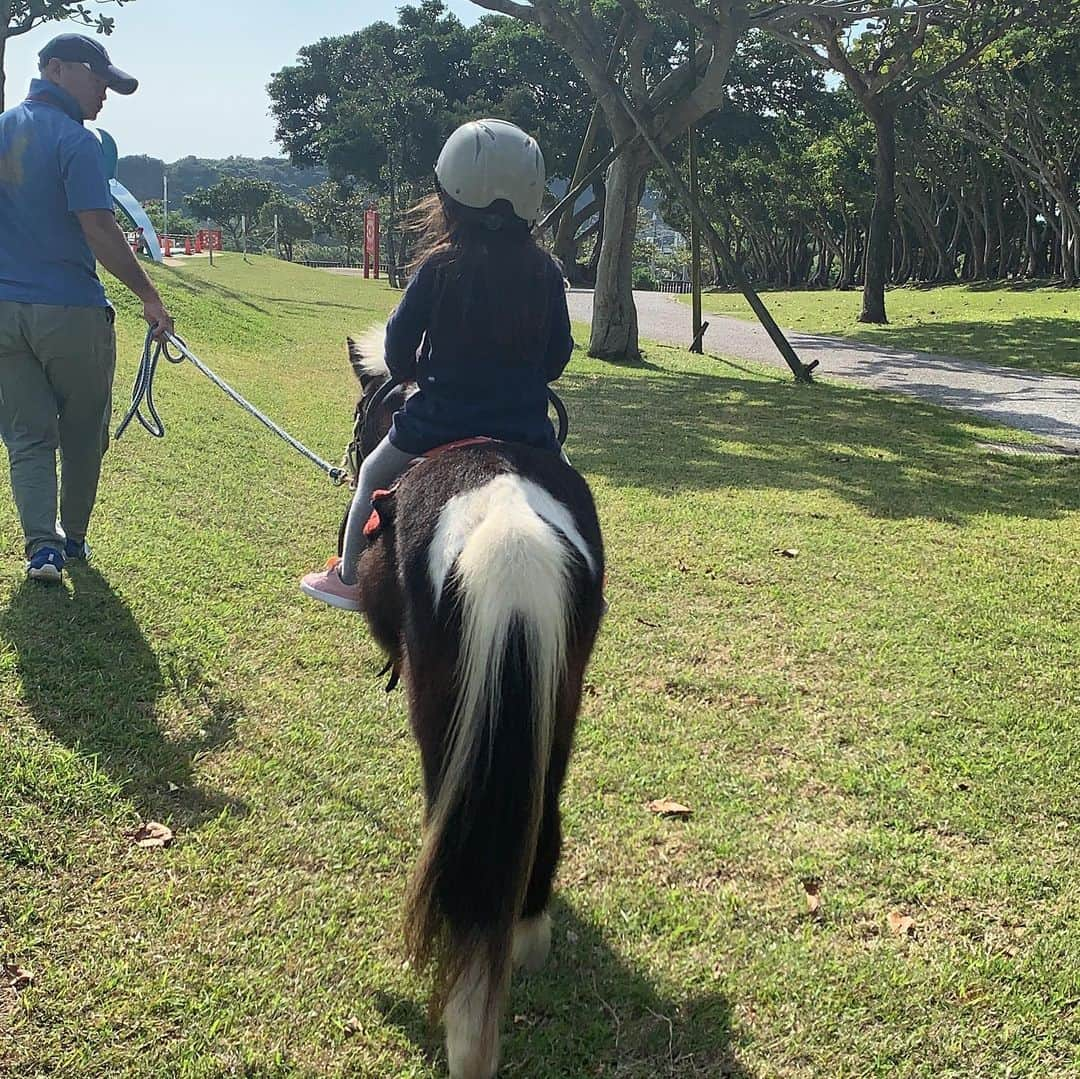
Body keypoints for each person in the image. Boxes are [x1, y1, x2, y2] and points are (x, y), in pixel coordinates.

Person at [300, 118, 573, 611]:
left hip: (435, 422)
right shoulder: (547, 272)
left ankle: (348, 579)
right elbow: (556, 359)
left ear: (450, 195)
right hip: (527, 428)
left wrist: (410, 371)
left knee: (368, 480)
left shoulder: (438, 266)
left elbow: (398, 346)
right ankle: (584, 587)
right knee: (571, 496)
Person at [0, 33, 174, 583]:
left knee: (27, 435)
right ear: (54, 69)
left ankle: (40, 549)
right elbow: (98, 227)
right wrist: (150, 296)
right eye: (96, 78)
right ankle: (71, 541)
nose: (103, 92)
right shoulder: (76, 141)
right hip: (70, 311)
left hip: (4, 313)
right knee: (82, 432)